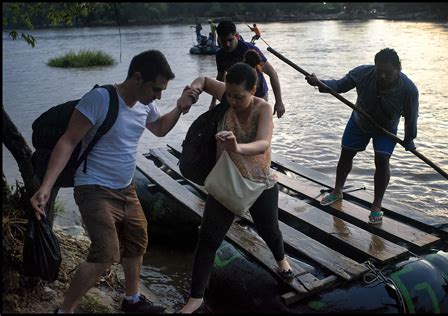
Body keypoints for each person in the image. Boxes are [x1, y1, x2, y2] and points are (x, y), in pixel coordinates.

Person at [30, 50, 200, 314]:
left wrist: (179, 107)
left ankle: (131, 300)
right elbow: (68, 141)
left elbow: (160, 129)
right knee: (107, 253)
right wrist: (46, 186)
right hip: (93, 188)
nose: (159, 95)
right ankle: (65, 310)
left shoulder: (145, 105)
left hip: (126, 188)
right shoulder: (99, 99)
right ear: (137, 78)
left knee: (137, 240)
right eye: (156, 89)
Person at [178, 62, 293, 313]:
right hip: (227, 180)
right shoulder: (228, 96)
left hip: (259, 181)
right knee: (208, 239)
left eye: (239, 96)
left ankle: (282, 261)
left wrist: (237, 147)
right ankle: (196, 298)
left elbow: (263, 143)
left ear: (253, 90)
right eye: (228, 95)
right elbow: (205, 81)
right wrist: (191, 93)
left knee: (269, 228)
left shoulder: (263, 108)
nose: (232, 100)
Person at [306, 48, 419, 225]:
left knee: (382, 160)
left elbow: (412, 116)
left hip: (386, 128)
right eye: (378, 71)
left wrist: (409, 138)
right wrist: (319, 82)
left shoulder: (409, 89)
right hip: (360, 121)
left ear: (398, 69)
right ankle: (337, 191)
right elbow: (339, 85)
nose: (382, 76)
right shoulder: (363, 73)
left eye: (387, 73)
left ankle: (376, 206)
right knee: (346, 154)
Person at [210, 21, 286, 119]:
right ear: (219, 39)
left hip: (258, 95)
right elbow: (220, 77)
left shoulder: (249, 50)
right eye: (223, 41)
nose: (227, 44)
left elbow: (272, 73)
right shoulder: (220, 55)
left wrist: (279, 102)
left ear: (236, 36)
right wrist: (213, 102)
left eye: (230, 40)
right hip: (237, 97)